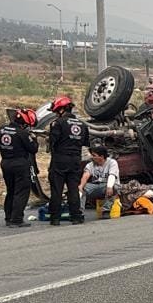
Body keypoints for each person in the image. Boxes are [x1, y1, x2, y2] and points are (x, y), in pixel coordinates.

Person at [47, 95, 89, 225]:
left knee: (57, 189)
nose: (56, 114)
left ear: (61, 110)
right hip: (75, 160)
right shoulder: (82, 125)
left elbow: (52, 143)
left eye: (56, 111)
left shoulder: (58, 123)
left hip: (60, 160)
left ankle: (55, 218)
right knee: (73, 189)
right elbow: (85, 143)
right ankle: (75, 216)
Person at [0, 108, 39, 228]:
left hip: (6, 163)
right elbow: (33, 149)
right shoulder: (23, 133)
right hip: (20, 164)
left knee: (11, 191)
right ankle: (17, 219)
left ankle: (9, 217)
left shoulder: (1, 129)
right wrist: (34, 138)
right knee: (21, 192)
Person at [79, 145, 120, 218]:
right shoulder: (90, 164)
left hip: (107, 186)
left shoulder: (112, 162)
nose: (92, 157)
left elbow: (112, 175)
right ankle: (79, 213)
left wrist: (109, 186)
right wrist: (81, 186)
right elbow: (86, 175)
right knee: (81, 189)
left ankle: (106, 211)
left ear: (101, 156)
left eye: (94, 155)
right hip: (96, 186)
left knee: (114, 187)